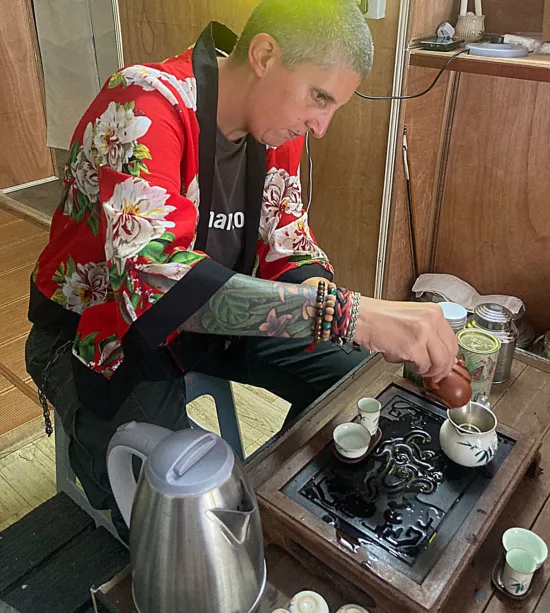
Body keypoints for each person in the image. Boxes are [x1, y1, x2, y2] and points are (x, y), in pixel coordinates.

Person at [25, 0, 457, 538]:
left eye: (333, 107)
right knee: (176, 513)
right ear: (263, 54)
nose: (321, 126)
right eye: (319, 97)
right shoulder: (144, 103)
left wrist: (343, 313)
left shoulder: (279, 134)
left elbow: (287, 244)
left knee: (353, 376)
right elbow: (152, 285)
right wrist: (349, 314)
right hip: (103, 332)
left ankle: (286, 501)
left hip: (214, 323)